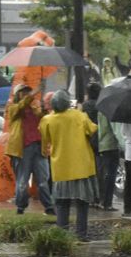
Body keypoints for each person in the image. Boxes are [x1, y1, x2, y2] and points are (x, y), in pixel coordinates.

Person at [39, 90, 98, 240]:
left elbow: (45, 145)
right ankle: (81, 234)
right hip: (82, 165)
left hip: (61, 167)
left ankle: (62, 234)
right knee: (82, 202)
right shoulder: (79, 115)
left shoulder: (47, 120)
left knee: (61, 202)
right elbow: (92, 129)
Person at [6, 84, 54, 215]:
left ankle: (49, 206)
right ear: (18, 94)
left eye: (28, 92)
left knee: (43, 180)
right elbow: (20, 106)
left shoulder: (34, 107)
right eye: (23, 92)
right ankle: (21, 206)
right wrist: (33, 94)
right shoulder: (13, 108)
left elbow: (42, 116)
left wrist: (44, 108)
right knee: (22, 181)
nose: (27, 94)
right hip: (23, 149)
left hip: (39, 147)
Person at [96, 106, 122, 212]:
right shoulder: (112, 111)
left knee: (103, 174)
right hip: (112, 145)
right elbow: (117, 131)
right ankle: (107, 203)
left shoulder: (101, 110)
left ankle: (101, 201)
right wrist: (123, 146)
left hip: (102, 144)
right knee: (111, 176)